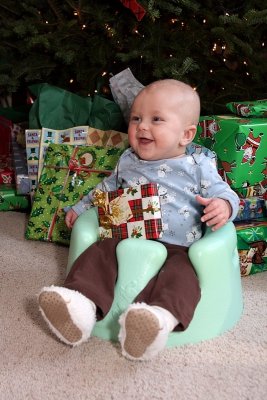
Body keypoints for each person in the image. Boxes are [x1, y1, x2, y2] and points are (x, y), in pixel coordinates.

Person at [38, 79, 239, 361]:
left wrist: (223, 206)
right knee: (99, 252)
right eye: (136, 118)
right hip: (128, 234)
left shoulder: (199, 165)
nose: (142, 126)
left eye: (156, 119)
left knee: (183, 275)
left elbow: (226, 193)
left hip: (180, 246)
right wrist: (81, 207)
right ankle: (79, 306)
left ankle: (156, 320)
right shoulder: (128, 159)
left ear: (186, 134)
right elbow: (106, 189)